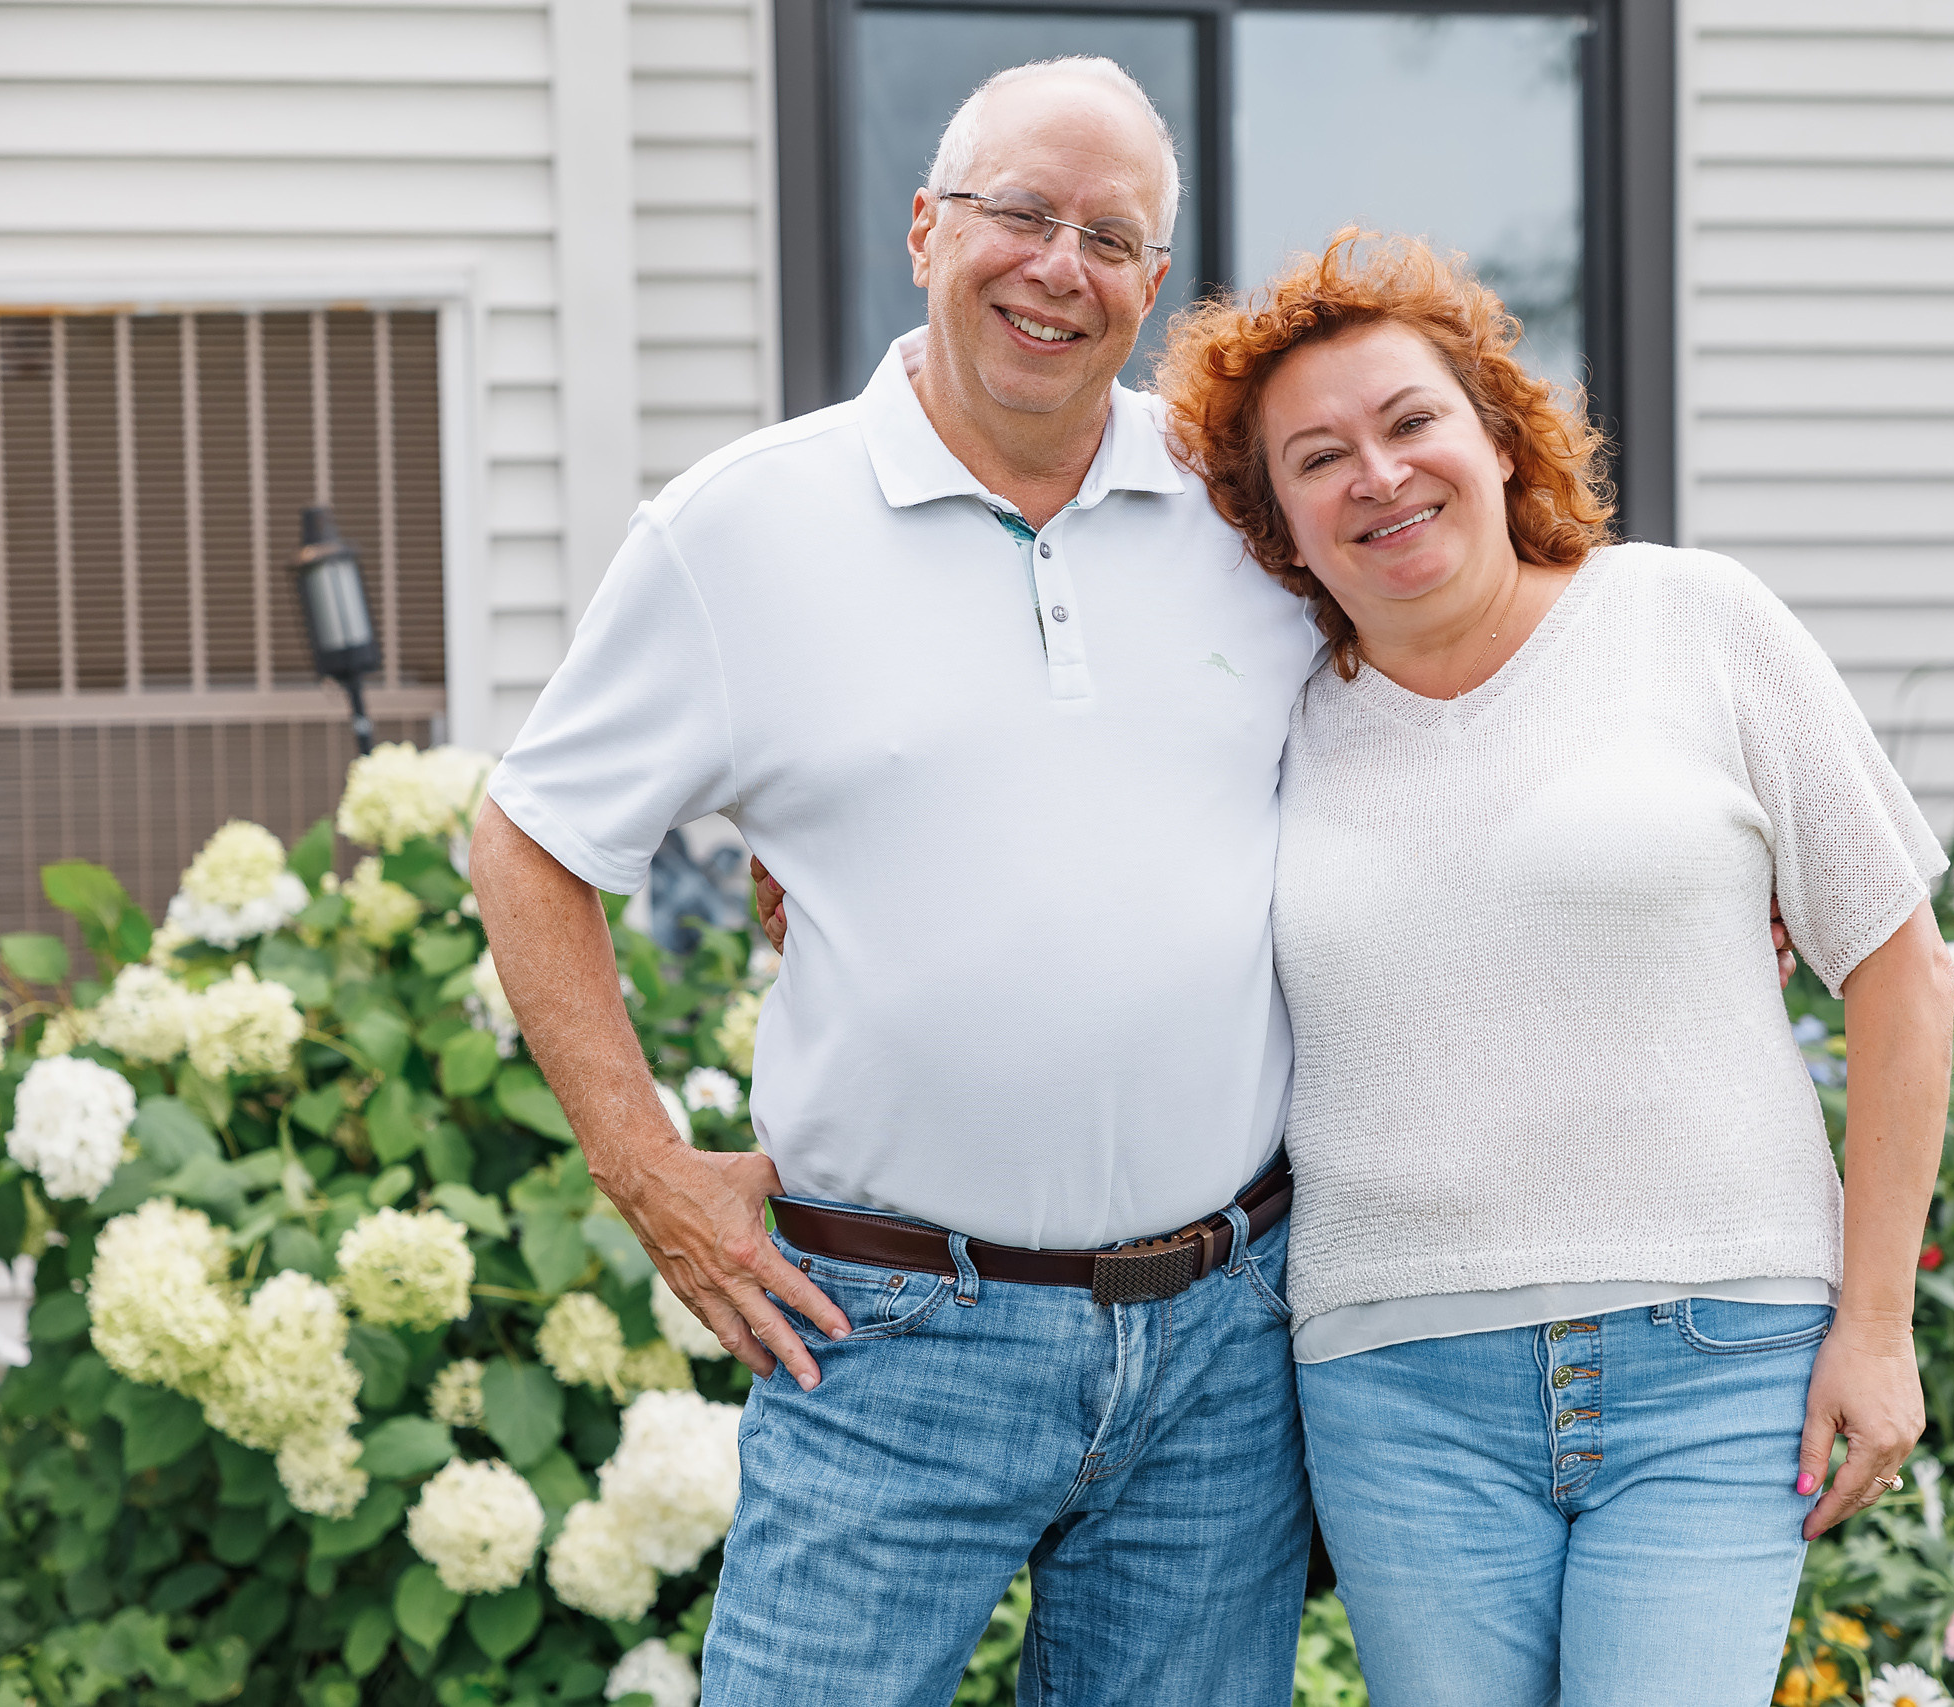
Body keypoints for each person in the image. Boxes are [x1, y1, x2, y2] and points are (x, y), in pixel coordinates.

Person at [469, 58, 1327, 1706]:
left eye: (1112, 236)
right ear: (926, 225)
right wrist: (652, 1175)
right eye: (1019, 213)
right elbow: (531, 842)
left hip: (1225, 1340)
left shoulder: (1248, 505)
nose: (1058, 266)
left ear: (1156, 285)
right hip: (891, 1341)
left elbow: (1445, 667)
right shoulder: (740, 531)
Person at [1152, 234, 1954, 1705]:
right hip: (1396, 1383)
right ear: (1279, 526)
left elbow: (1900, 970)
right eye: (1317, 458)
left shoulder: (1691, 622)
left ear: (1497, 435)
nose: (1378, 477)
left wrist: (1878, 1326)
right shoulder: (1267, 719)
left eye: (1411, 423)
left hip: (1718, 1355)